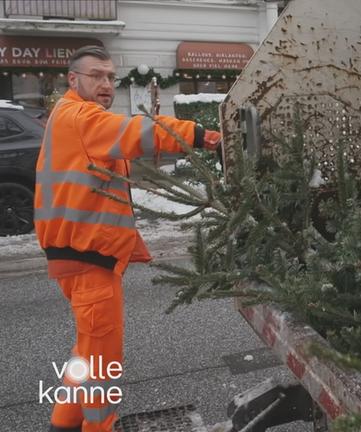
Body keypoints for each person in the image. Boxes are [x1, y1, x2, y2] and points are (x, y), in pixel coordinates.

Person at [35, 45, 221, 432]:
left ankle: (63, 424)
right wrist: (201, 135)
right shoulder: (80, 116)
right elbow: (135, 131)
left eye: (110, 77)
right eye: (96, 76)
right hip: (88, 259)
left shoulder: (69, 115)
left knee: (87, 353)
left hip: (78, 256)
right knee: (103, 364)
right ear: (74, 80)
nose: (106, 85)